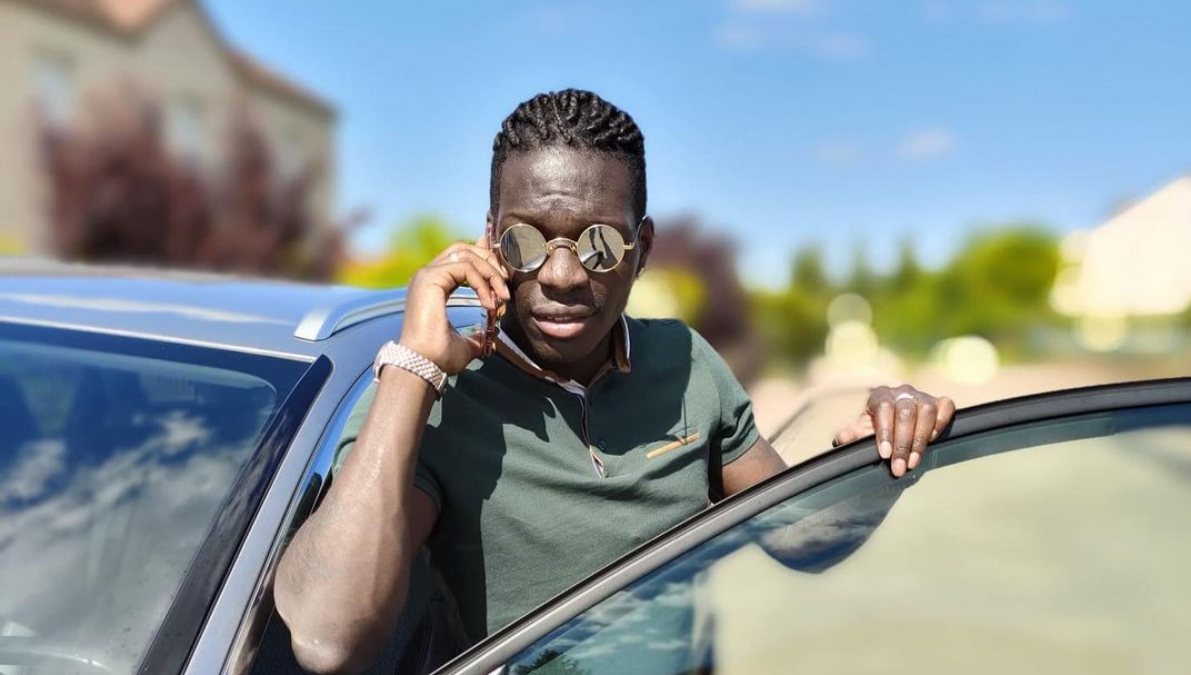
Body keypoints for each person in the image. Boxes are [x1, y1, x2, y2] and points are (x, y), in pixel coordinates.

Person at [274, 89, 956, 674]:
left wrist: (881, 451)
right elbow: (330, 639)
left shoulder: (686, 363)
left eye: (599, 243)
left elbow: (799, 536)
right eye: (525, 242)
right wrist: (412, 367)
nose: (562, 276)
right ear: (489, 240)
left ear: (644, 249)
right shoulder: (437, 400)